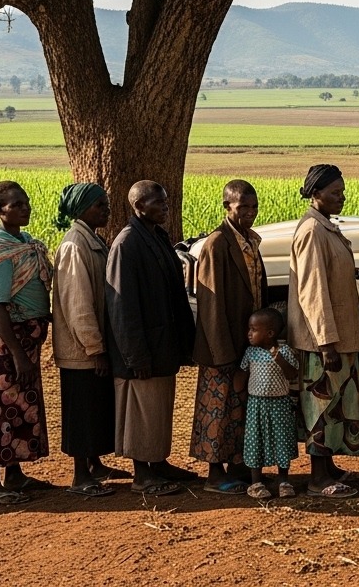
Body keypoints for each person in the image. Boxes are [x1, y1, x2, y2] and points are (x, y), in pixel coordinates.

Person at [106, 180, 198, 496]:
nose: (166, 207)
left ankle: (157, 463)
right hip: (142, 349)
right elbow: (122, 307)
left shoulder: (155, 237)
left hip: (162, 344)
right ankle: (142, 474)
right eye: (158, 203)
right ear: (139, 206)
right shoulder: (127, 244)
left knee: (158, 408)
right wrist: (136, 357)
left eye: (166, 201)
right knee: (142, 411)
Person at [0, 181, 54, 505]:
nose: (25, 208)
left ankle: (15, 474)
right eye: (16, 204)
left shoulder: (23, 242)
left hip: (22, 339)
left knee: (19, 404)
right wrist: (18, 354)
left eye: (26, 202)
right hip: (3, 341)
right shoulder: (0, 252)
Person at [288, 164, 359, 498]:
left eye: (343, 192)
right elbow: (313, 291)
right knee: (321, 404)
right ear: (316, 193)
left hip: (339, 334)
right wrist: (326, 343)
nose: (342, 198)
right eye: (335, 193)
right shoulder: (312, 232)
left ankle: (329, 465)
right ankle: (318, 477)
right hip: (323, 340)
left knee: (337, 403)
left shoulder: (325, 228)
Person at [191, 179, 268, 495]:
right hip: (221, 344)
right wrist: (222, 353)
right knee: (218, 408)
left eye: (254, 207)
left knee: (240, 408)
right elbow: (210, 305)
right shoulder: (217, 244)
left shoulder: (250, 240)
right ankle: (213, 473)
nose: (250, 213)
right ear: (227, 207)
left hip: (245, 341)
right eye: (243, 207)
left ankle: (236, 466)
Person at [52, 181, 125, 498]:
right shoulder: (74, 245)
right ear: (81, 209)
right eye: (100, 205)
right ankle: (80, 476)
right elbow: (78, 304)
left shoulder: (91, 240)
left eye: (106, 204)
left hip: (91, 346)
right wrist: (94, 348)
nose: (106, 210)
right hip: (80, 350)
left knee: (94, 406)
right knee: (81, 410)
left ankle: (94, 465)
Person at [239, 308, 300, 499]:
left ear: (270, 334)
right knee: (255, 441)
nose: (249, 333)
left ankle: (283, 481)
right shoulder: (250, 353)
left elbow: (292, 375)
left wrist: (280, 360)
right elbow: (241, 377)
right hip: (256, 405)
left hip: (280, 404)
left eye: (253, 329)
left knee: (282, 440)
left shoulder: (285, 351)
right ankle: (256, 482)